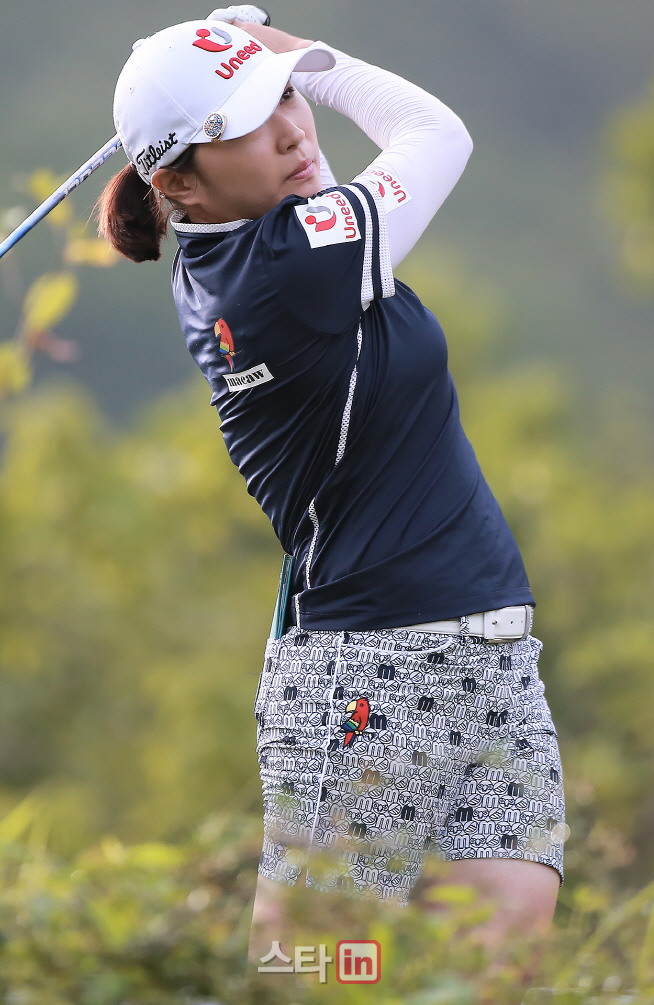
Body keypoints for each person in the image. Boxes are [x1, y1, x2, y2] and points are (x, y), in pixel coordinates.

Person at [99, 6, 565, 967]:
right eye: (248, 122)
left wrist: (256, 65)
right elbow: (436, 132)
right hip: (368, 663)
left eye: (286, 100)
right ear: (178, 182)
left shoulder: (258, 248)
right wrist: (295, 55)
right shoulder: (282, 268)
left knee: (502, 945)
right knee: (314, 964)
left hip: (489, 649)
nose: (290, 130)